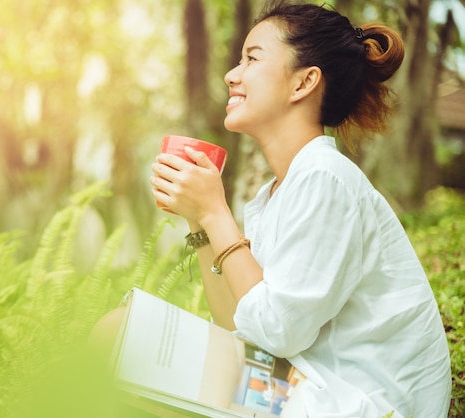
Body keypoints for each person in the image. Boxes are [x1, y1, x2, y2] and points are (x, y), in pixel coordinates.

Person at [150, 2, 452, 417]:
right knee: (132, 336)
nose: (231, 75)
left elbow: (278, 331)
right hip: (308, 388)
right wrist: (199, 220)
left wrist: (216, 211)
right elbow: (237, 326)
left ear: (303, 83)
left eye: (252, 59)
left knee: (130, 346)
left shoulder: (325, 178)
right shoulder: (277, 195)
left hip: (360, 404)